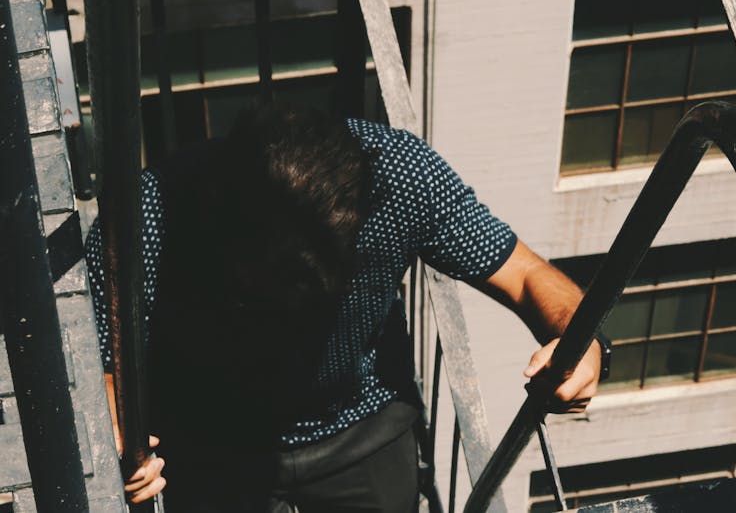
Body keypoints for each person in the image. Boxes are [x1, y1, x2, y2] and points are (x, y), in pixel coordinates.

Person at [85, 104, 608, 511]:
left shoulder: (403, 177)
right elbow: (98, 359)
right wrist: (116, 437)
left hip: (361, 420)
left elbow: (524, 274)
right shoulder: (149, 215)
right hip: (212, 437)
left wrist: (582, 345)